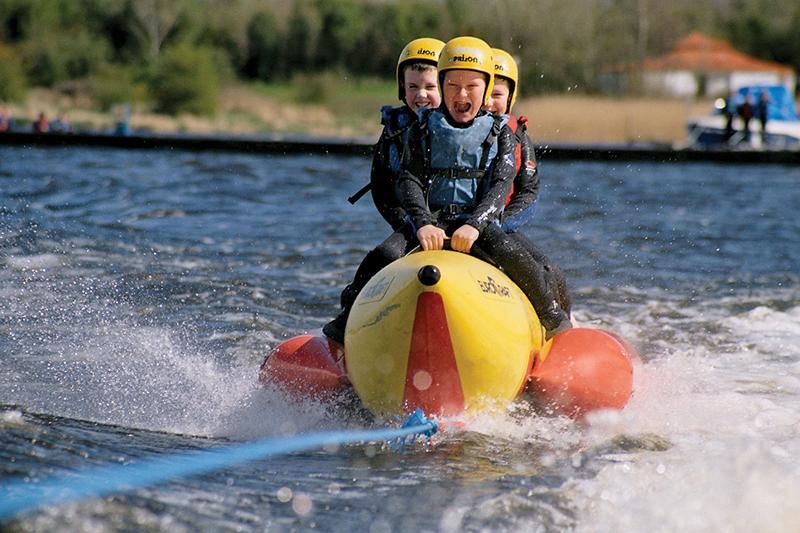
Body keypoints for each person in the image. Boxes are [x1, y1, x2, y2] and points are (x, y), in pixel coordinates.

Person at [326, 36, 571, 342]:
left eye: (473, 86)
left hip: (477, 224)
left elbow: (502, 184)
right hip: (432, 221)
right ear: (442, 87)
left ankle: (552, 318)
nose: (462, 94)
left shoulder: (504, 135)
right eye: (453, 85)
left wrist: (476, 224)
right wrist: (422, 223)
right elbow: (409, 181)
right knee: (384, 253)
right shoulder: (421, 129)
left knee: (514, 255)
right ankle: (347, 321)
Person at [324, 37, 445, 342]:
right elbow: (380, 187)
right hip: (412, 226)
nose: (421, 96)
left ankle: (545, 317)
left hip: (464, 224)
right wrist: (406, 224)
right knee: (383, 253)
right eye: (413, 87)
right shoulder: (394, 130)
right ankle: (347, 321)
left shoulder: (467, 127)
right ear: (401, 88)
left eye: (430, 87)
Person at [483, 48, 571, 314]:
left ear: (510, 97)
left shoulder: (520, 137)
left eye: (496, 95)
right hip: (463, 225)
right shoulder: (456, 135)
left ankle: (562, 325)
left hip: (500, 226)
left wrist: (500, 223)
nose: (488, 103)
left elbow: (528, 193)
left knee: (548, 270)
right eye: (485, 94)